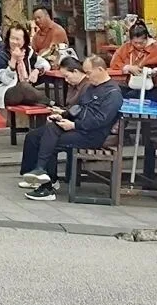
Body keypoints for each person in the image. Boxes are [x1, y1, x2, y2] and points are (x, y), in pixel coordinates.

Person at [24, 55, 123, 200]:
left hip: (92, 135)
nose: (87, 76)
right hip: (79, 128)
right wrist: (63, 116)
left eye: (88, 73)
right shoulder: (91, 87)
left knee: (48, 141)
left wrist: (74, 125)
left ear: (100, 70)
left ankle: (47, 186)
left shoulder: (113, 93)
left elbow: (100, 120)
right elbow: (78, 109)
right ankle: (41, 173)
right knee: (50, 129)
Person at [17, 56, 86, 185]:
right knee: (32, 136)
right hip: (66, 119)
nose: (66, 80)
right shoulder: (73, 86)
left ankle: (50, 179)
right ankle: (30, 173)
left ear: (76, 71)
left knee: (47, 138)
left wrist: (64, 115)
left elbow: (80, 110)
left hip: (75, 125)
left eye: (67, 76)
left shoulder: (86, 87)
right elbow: (70, 108)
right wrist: (60, 113)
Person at [108, 20, 157, 99]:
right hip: (131, 85)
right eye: (135, 43)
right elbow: (114, 62)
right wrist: (128, 67)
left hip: (152, 87)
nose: (138, 45)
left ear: (147, 38)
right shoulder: (126, 47)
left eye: (141, 43)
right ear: (130, 40)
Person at [0, 23, 48, 109]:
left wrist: (37, 71)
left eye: (18, 39)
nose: (14, 42)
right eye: (12, 38)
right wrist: (13, 60)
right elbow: (6, 80)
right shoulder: (1, 55)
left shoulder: (27, 52)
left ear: (24, 40)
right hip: (6, 93)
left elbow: (45, 63)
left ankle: (50, 107)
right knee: (23, 86)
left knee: (36, 100)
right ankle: (53, 104)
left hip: (27, 92)